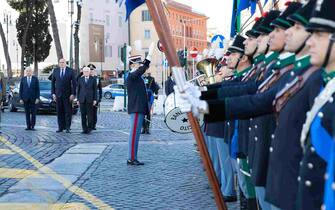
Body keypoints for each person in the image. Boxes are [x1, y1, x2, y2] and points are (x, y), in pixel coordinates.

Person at [126, 42, 155, 166]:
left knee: (136, 134)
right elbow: (142, 69)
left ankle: (133, 157)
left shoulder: (136, 76)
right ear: (132, 65)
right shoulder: (132, 75)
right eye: (138, 63)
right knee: (134, 134)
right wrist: (149, 56)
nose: (140, 66)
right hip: (136, 108)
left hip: (139, 108)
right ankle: (131, 158)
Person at [51, 58, 77, 133]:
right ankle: (60, 127)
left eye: (63, 62)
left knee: (68, 112)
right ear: (59, 63)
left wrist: (73, 93)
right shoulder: (56, 71)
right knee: (59, 112)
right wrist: (53, 93)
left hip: (68, 95)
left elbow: (74, 84)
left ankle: (68, 127)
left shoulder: (70, 71)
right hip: (58, 95)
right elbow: (53, 83)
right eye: (60, 62)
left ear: (66, 63)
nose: (61, 64)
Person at [77, 67, 97, 134]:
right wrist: (77, 100)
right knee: (83, 115)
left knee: (89, 115)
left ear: (89, 72)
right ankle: (84, 129)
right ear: (83, 72)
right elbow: (78, 90)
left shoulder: (93, 79)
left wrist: (95, 99)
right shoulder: (80, 79)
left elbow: (95, 90)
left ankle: (89, 129)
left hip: (90, 100)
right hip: (82, 99)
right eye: (84, 71)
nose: (86, 72)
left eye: (87, 71)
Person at [88, 64, 102, 130]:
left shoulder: (97, 78)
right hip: (88, 98)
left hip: (95, 98)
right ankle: (89, 125)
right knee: (88, 113)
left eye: (92, 69)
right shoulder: (86, 77)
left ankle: (93, 125)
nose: (91, 71)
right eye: (90, 69)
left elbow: (100, 89)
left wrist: (100, 98)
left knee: (94, 113)